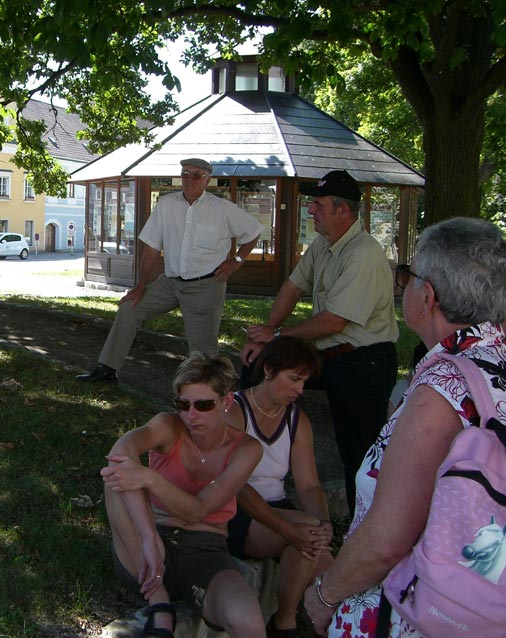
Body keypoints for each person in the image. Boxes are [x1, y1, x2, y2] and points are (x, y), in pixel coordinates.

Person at [303, 217, 506, 637]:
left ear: (427, 296)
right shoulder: (496, 363)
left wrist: (324, 596)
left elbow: (387, 541)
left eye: (408, 276)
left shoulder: (443, 389)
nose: (405, 287)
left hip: (409, 613)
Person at [240, 170, 398, 512]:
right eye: (312, 203)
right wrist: (268, 335)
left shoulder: (363, 253)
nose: (311, 210)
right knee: (255, 369)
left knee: (358, 450)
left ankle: (364, 525)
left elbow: (334, 321)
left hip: (364, 361)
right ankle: (251, 472)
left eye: (319, 204)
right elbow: (293, 286)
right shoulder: (324, 245)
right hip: (329, 356)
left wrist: (277, 336)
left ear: (344, 211)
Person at [101, 352, 266, 638]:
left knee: (249, 622)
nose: (191, 415)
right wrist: (149, 538)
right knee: (115, 476)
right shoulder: (169, 426)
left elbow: (198, 510)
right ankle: (158, 601)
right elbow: (119, 452)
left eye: (203, 405)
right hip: (147, 547)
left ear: (226, 402)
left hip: (207, 553)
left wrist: (151, 478)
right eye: (183, 404)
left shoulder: (246, 449)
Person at [77, 158, 263, 383]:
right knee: (129, 309)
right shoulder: (166, 204)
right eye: (185, 173)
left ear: (207, 179)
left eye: (196, 175)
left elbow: (253, 233)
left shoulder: (222, 209)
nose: (189, 179)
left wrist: (236, 260)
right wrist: (140, 286)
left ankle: (213, 394)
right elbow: (152, 248)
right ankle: (107, 369)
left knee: (203, 351)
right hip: (170, 282)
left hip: (206, 286)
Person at [227, 336, 333, 638]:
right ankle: (287, 622)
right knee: (309, 539)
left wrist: (324, 523)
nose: (300, 390)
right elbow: (236, 486)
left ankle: (292, 622)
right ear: (269, 370)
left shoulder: (297, 420)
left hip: (281, 510)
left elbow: (309, 486)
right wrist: (290, 529)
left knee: (316, 545)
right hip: (236, 512)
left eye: (304, 381)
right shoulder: (234, 411)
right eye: (294, 379)